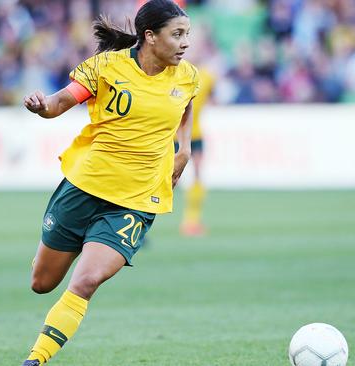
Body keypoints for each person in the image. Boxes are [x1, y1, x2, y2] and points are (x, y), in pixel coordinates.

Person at [20, 0, 198, 364]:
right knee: (42, 283)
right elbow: (60, 102)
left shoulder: (187, 76)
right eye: (176, 34)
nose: (184, 43)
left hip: (135, 201)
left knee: (85, 282)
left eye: (187, 35)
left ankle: (34, 359)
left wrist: (185, 147)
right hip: (84, 188)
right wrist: (42, 106)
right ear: (149, 37)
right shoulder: (106, 67)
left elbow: (186, 104)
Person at [179, 66, 215, 237]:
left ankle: (192, 220)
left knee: (198, 175)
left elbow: (212, 98)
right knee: (168, 179)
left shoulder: (208, 76)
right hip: (176, 135)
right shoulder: (175, 72)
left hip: (196, 133)